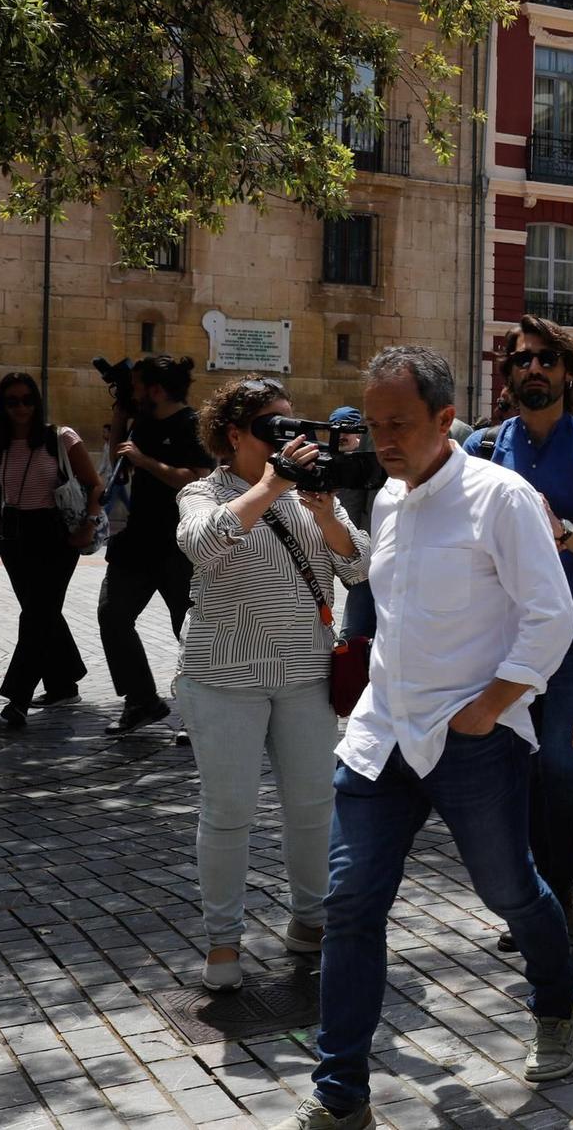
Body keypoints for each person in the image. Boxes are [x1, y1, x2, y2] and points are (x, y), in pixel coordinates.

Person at [281, 347, 573, 1130]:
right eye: (373, 423)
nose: (381, 438)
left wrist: (491, 704)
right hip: (383, 737)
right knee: (349, 904)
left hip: (474, 740)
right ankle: (340, 1090)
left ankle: (556, 1005)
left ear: (446, 419)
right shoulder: (386, 498)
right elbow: (380, 593)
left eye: (398, 423)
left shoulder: (502, 498)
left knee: (510, 890)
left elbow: (553, 616)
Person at [175, 377, 370, 993]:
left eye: (293, 423)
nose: (290, 436)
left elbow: (360, 565)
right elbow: (201, 547)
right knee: (229, 812)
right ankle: (223, 942)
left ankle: (310, 923)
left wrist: (326, 516)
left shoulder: (310, 494)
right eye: (272, 425)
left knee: (314, 808)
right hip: (223, 678)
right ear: (234, 435)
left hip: (306, 676)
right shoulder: (202, 493)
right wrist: (270, 485)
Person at [465, 316, 573, 961]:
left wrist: (560, 532)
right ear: (507, 376)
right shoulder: (482, 451)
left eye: (545, 360)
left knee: (561, 768)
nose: (532, 368)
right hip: (496, 645)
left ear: (569, 372)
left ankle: (558, 897)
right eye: (520, 360)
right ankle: (524, 898)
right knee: (509, 773)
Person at [0, 374, 104, 728]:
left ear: (37, 403)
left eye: (27, 400)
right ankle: (63, 683)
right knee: (41, 610)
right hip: (14, 534)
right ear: (2, 406)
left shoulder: (61, 438)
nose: (20, 407)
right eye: (12, 401)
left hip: (56, 534)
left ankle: (18, 697)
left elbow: (95, 485)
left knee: (37, 614)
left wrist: (89, 523)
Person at [98, 353, 213, 735]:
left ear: (157, 390)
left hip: (179, 544)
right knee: (112, 616)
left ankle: (197, 714)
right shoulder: (143, 422)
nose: (133, 394)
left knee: (189, 629)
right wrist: (119, 417)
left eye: (136, 388)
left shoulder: (191, 425)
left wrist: (147, 461)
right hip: (135, 539)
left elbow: (197, 477)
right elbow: (120, 460)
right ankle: (141, 700)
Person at [330, 406, 383, 644]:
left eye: (348, 430)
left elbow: (368, 513)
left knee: (352, 638)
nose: (341, 435)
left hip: (367, 560)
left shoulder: (369, 466)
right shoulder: (323, 462)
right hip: (342, 558)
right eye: (336, 429)